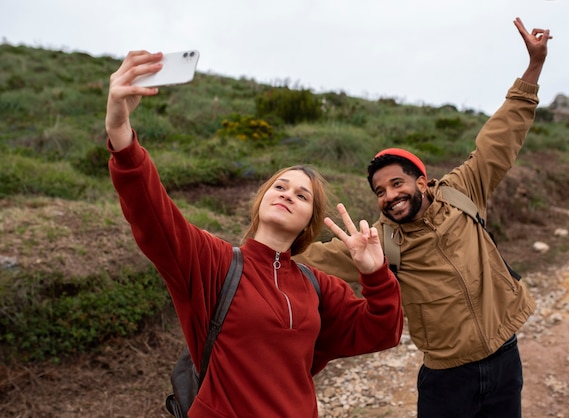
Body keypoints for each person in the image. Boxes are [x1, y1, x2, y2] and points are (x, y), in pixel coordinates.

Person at [105, 51, 403, 417]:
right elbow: (154, 216)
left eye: (302, 195)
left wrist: (375, 274)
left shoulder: (318, 287)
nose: (287, 194)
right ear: (262, 199)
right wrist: (120, 134)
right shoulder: (214, 263)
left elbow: (382, 331)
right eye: (280, 186)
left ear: (310, 221)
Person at [294, 17, 551, 417]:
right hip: (446, 378)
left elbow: (501, 135)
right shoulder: (379, 242)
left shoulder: (463, 191)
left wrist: (533, 68)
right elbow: (310, 257)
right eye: (380, 191)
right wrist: (245, 252)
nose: (390, 196)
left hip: (505, 359)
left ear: (422, 181)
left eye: (397, 184)